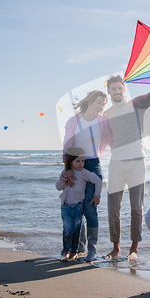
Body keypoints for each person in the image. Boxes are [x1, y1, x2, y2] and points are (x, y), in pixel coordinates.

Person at [103, 45, 150, 260]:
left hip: (137, 163)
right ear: (109, 92)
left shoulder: (137, 104)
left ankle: (134, 248)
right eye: (112, 89)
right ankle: (116, 248)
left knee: (136, 208)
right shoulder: (105, 114)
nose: (116, 92)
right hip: (116, 163)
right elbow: (102, 140)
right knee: (113, 209)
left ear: (124, 89)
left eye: (119, 88)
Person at [62, 90, 112, 261]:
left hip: (94, 165)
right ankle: (77, 247)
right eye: (99, 102)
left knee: (90, 208)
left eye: (103, 104)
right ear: (90, 101)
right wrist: (67, 168)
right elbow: (67, 145)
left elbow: (111, 140)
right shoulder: (74, 121)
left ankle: (92, 249)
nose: (101, 107)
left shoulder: (103, 122)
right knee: (77, 207)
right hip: (76, 165)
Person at [55, 147, 103, 262]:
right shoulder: (65, 173)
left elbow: (98, 181)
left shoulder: (84, 173)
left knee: (76, 230)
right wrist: (63, 177)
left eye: (82, 161)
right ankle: (65, 252)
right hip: (65, 207)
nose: (81, 164)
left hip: (78, 207)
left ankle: (73, 253)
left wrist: (97, 196)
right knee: (67, 229)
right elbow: (58, 187)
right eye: (78, 161)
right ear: (70, 161)